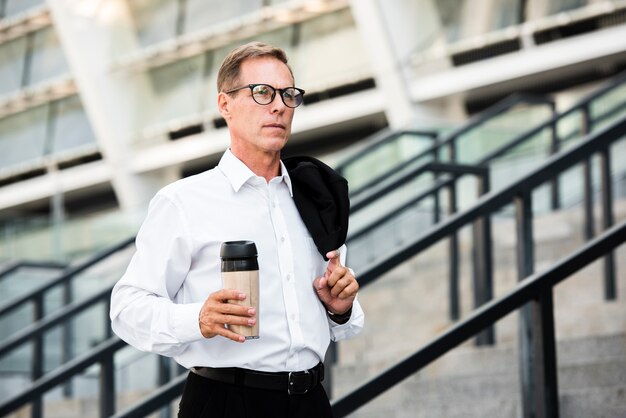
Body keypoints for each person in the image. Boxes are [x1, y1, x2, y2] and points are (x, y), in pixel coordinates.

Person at [110, 41, 364, 418]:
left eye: (288, 94)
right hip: (224, 402)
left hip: (310, 401)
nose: (279, 105)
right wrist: (197, 319)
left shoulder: (315, 197)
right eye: (261, 92)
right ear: (224, 105)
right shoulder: (183, 201)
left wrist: (340, 309)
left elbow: (342, 323)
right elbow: (126, 308)